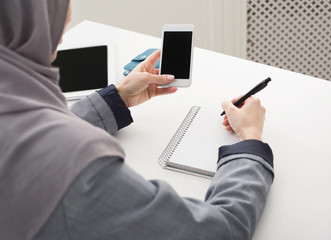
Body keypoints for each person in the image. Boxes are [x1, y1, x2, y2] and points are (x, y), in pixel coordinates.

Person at [0, 0, 274, 239]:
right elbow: (218, 232)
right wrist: (250, 141)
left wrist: (116, 99)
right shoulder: (72, 170)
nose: (64, 23)